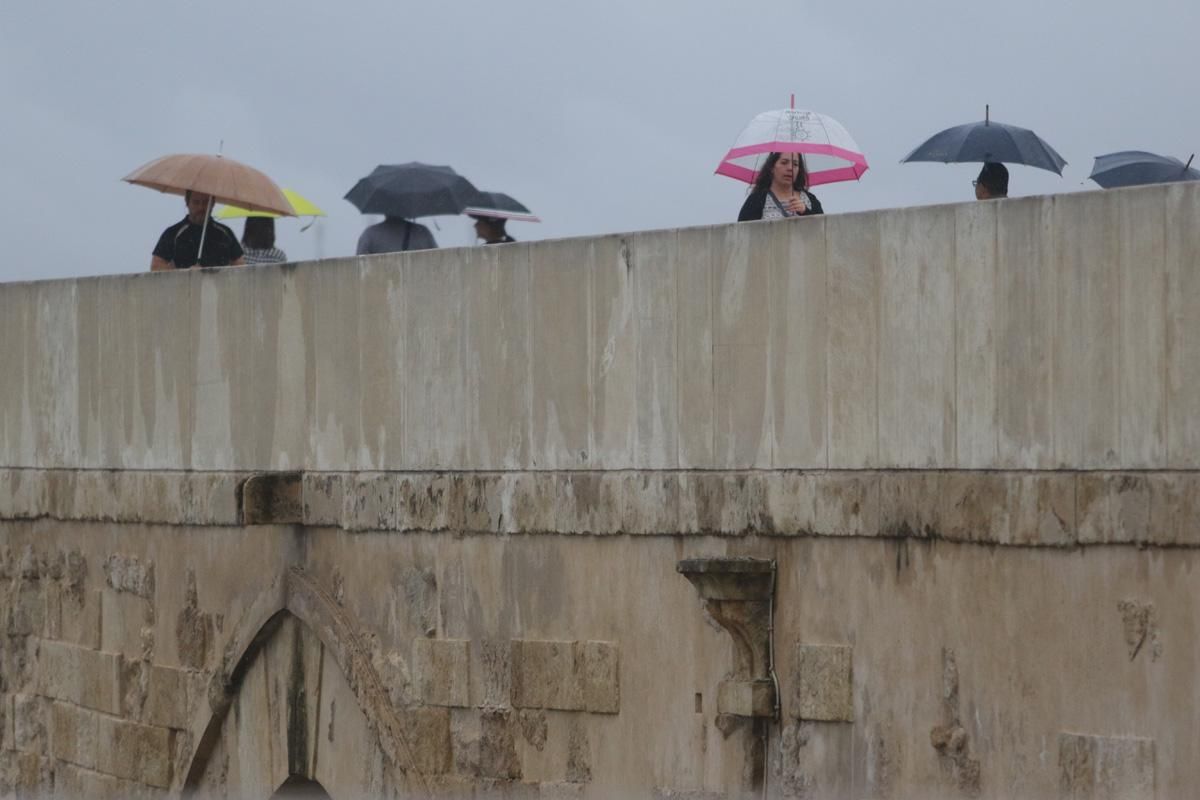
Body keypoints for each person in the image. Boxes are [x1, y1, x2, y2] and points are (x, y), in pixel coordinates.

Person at [150, 191, 245, 270]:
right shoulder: (173, 233)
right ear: (187, 203)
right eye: (196, 202)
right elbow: (156, 267)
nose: (201, 207)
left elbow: (240, 266)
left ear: (212, 203)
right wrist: (185, 273)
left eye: (205, 202)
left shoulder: (225, 233)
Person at [737, 152, 824, 222]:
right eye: (784, 162)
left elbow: (823, 229)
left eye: (795, 164)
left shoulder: (810, 199)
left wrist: (806, 212)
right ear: (771, 167)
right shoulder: (756, 200)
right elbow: (742, 233)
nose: (790, 168)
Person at [355, 216, 437, 255]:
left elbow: (358, 267)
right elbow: (438, 261)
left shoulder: (370, 234)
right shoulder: (422, 232)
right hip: (418, 284)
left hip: (382, 286)